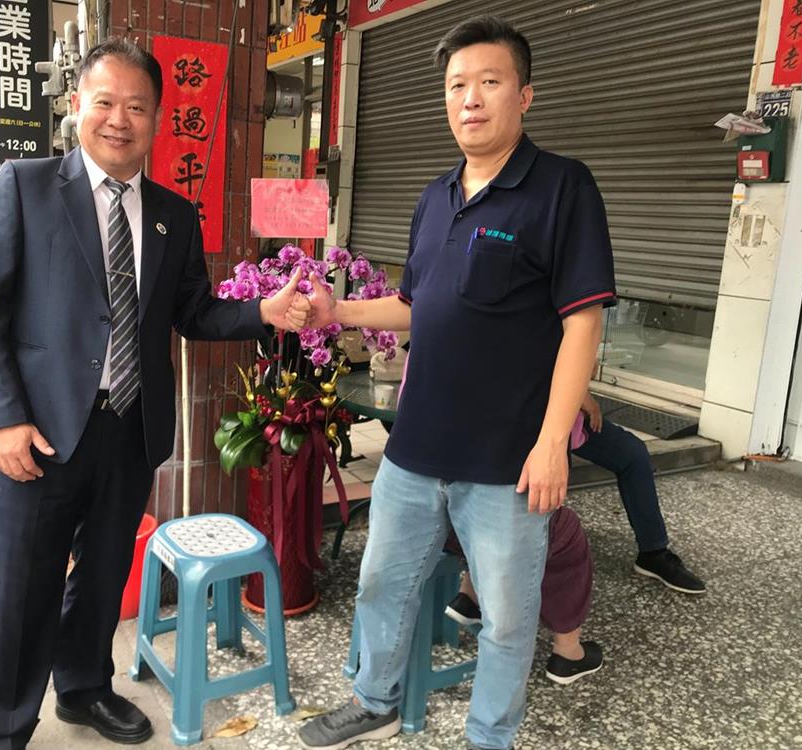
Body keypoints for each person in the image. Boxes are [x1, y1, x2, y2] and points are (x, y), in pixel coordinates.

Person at [0, 38, 306, 750]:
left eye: (137, 107)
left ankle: (84, 688)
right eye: (105, 102)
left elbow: (194, 312)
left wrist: (264, 312)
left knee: (102, 575)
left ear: (157, 119)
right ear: (77, 106)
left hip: (129, 428)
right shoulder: (24, 186)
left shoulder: (173, 214)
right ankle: (3, 728)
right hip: (39, 431)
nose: (119, 120)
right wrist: (3, 419)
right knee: (20, 587)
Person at [293, 16, 616, 750]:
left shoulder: (562, 187)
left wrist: (551, 445)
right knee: (381, 584)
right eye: (456, 85)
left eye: (489, 82)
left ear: (524, 95)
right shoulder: (434, 196)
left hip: (508, 461)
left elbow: (583, 323)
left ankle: (488, 737)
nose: (470, 99)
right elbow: (416, 305)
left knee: (505, 616)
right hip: (415, 448)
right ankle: (374, 701)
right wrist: (338, 310)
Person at [445, 506, 603, 686]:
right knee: (563, 527)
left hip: (439, 528)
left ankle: (470, 595)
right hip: (490, 529)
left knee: (475, 507)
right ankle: (568, 649)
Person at [573, 392, 706, 593]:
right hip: (531, 412)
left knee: (632, 454)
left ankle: (653, 552)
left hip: (569, 413)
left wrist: (580, 392)